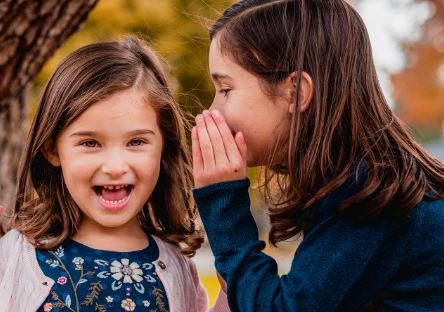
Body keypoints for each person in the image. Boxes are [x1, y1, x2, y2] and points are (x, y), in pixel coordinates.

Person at [191, 0, 444, 311]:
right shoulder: (368, 177)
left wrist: (223, 204)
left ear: (296, 92)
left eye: (226, 89)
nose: (213, 110)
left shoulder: (370, 194)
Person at [0, 36, 229, 312]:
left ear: (163, 146)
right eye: (90, 143)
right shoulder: (14, 258)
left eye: (136, 142)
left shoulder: (177, 269)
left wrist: (231, 288)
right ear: (52, 150)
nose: (115, 166)